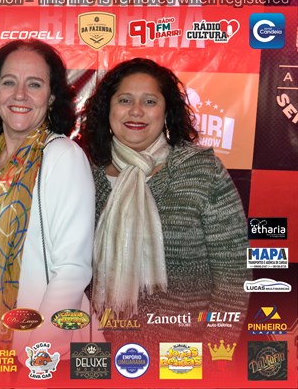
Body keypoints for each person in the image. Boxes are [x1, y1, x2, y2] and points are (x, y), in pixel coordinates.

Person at [80, 58, 250, 349]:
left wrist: (215, 354)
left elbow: (233, 276)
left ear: (166, 111)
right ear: (108, 109)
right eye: (124, 100)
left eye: (149, 101)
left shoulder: (201, 171)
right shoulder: (85, 174)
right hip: (97, 351)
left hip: (181, 356)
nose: (136, 111)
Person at [0, 39, 95, 358]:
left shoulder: (62, 156)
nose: (20, 94)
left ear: (52, 96)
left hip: (35, 348)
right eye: (8, 82)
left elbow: (72, 270)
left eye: (34, 84)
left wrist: (39, 351)